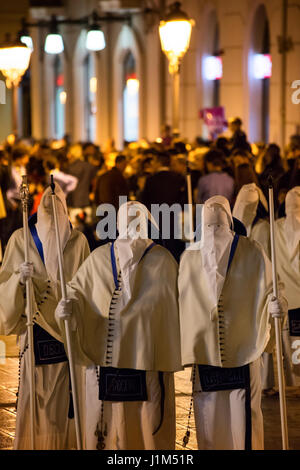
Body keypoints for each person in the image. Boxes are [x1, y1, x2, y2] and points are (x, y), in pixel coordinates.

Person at [55, 201, 181, 450]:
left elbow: (178, 306)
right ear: (118, 224)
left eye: (137, 220)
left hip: (148, 362)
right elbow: (78, 293)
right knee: (106, 430)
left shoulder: (163, 261)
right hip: (105, 364)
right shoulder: (99, 258)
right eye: (128, 220)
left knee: (146, 430)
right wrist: (68, 307)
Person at [178, 196, 287, 450]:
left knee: (244, 420)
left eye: (219, 226)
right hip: (205, 353)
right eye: (208, 226)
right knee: (209, 419)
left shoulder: (253, 250)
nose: (213, 233)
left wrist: (276, 303)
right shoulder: (189, 258)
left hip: (245, 349)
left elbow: (273, 287)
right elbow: (181, 301)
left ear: (229, 222)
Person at [0, 183, 90, 449]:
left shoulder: (78, 241)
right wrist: (18, 279)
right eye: (47, 208)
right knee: (36, 397)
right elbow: (4, 287)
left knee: (66, 400)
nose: (53, 213)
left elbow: (87, 288)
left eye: (58, 207)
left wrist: (74, 306)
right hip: (36, 329)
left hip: (68, 336)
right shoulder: (21, 239)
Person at [233, 183, 276, 395]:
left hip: (258, 286)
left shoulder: (263, 229)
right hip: (244, 288)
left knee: (262, 331)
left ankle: (266, 380)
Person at [275, 187, 300, 391]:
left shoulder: (275, 228)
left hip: (290, 300)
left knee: (294, 347)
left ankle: (296, 384)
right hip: (291, 300)